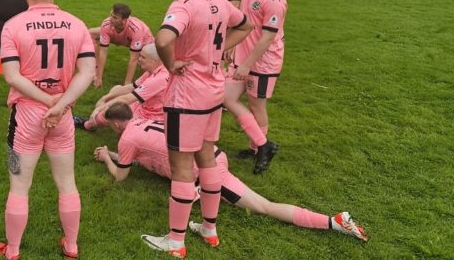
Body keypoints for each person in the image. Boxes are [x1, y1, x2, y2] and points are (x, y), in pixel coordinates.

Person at [92, 103, 368, 242]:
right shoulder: (143, 122)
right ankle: (200, 208)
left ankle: (334, 221)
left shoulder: (127, 138)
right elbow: (140, 157)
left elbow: (120, 176)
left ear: (116, 124)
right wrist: (114, 155)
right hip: (210, 155)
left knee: (264, 206)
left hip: (207, 170)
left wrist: (106, 158)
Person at [142, 0, 251, 258]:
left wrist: (170, 64)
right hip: (214, 92)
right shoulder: (220, 2)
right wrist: (217, 50)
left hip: (187, 97)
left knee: (181, 167)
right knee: (207, 158)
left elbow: (163, 39)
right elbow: (246, 25)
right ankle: (209, 229)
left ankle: (175, 242)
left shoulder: (183, 5)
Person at [0, 0, 96, 260]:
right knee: (67, 182)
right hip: (62, 114)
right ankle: (71, 245)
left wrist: (47, 100)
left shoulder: (13, 26)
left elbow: (12, 75)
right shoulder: (76, 25)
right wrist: (61, 104)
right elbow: (87, 71)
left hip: (27, 115)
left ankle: (13, 250)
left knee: (19, 186)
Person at [223, 0, 287, 173]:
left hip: (263, 63)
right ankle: (262, 145)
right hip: (243, 57)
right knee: (226, 97)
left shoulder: (275, 1)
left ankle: (258, 149)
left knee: (256, 106)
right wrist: (232, 46)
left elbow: (267, 38)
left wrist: (248, 64)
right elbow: (244, 23)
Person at [75, 43, 170, 131]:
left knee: (114, 110)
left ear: (154, 61)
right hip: (144, 106)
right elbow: (130, 87)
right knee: (116, 89)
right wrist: (105, 98)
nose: (139, 59)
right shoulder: (154, 71)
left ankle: (88, 125)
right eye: (140, 56)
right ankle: (96, 121)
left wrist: (99, 108)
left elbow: (127, 99)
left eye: (143, 57)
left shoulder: (158, 79)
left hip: (150, 116)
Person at [88, 3, 153, 88]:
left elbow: (134, 58)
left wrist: (127, 84)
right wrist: (99, 77)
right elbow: (103, 52)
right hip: (119, 36)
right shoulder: (106, 24)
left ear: (124, 20)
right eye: (111, 15)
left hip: (144, 41)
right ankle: (95, 69)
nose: (111, 19)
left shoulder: (136, 30)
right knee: (90, 34)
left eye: (115, 17)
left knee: (146, 66)